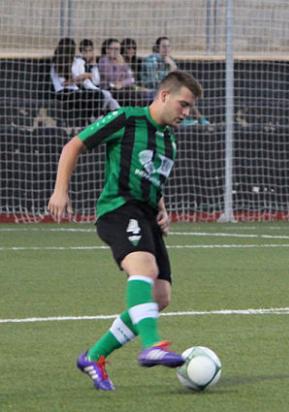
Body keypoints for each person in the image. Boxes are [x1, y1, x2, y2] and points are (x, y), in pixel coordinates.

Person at [47, 71, 203, 391]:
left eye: (190, 108)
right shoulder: (126, 119)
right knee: (143, 268)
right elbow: (73, 145)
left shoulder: (169, 139)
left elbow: (151, 178)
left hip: (145, 215)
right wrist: (60, 191)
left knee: (160, 296)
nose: (186, 113)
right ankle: (152, 346)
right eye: (183, 104)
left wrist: (162, 209)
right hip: (118, 209)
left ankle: (94, 356)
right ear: (163, 95)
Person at [50, 38, 105, 123]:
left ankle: (97, 118)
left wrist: (90, 84)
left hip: (76, 90)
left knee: (97, 93)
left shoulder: (77, 61)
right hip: (62, 92)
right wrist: (80, 77)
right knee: (85, 96)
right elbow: (63, 84)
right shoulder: (57, 64)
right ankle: (95, 119)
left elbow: (92, 81)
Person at [72, 39, 120, 111]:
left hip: (94, 89)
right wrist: (85, 76)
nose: (88, 53)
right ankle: (101, 116)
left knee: (111, 99)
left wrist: (93, 64)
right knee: (106, 95)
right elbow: (79, 79)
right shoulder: (78, 62)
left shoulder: (92, 64)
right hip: (83, 90)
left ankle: (119, 114)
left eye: (90, 51)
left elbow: (96, 81)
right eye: (85, 51)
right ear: (81, 52)